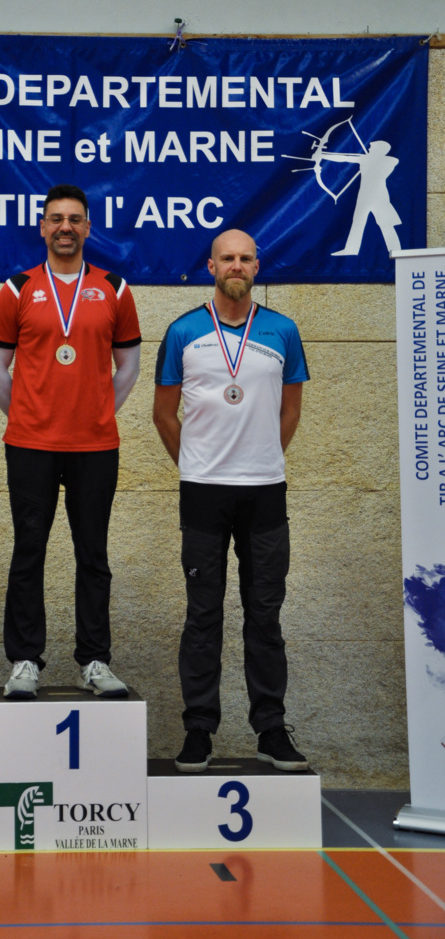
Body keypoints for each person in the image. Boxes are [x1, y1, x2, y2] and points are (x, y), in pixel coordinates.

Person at [152, 229, 310, 772]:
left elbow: (291, 410)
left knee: (265, 615)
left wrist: (261, 456)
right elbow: (163, 414)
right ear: (211, 267)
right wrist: (197, 465)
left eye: (245, 258)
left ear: (256, 267)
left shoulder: (283, 330)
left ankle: (270, 728)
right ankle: (199, 729)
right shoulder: (183, 331)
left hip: (265, 492)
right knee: (203, 614)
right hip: (203, 494)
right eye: (227, 259)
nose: (236, 266)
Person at [0, 184, 141, 700]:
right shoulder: (17, 288)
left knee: (93, 553)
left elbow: (129, 366)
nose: (65, 227)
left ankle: (94, 660)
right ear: (43, 227)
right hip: (31, 444)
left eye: (75, 219)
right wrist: (29, 416)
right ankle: (25, 659)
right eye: (56, 219)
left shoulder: (114, 288)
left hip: (95, 446)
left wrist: (96, 413)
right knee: (29, 550)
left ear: (88, 228)